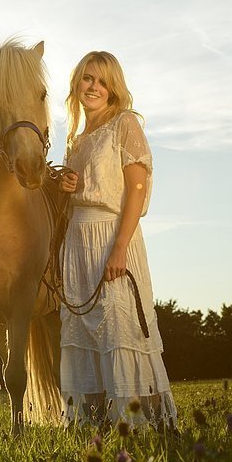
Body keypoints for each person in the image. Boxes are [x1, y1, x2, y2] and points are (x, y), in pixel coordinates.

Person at [59, 50, 177, 429]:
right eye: (88, 78)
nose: (93, 87)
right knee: (86, 336)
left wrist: (120, 248)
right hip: (77, 244)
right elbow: (78, 195)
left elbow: (136, 190)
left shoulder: (124, 124)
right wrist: (67, 185)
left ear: (114, 89)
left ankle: (139, 428)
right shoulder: (76, 139)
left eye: (102, 81)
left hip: (112, 237)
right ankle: (94, 428)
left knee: (120, 330)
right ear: (77, 83)